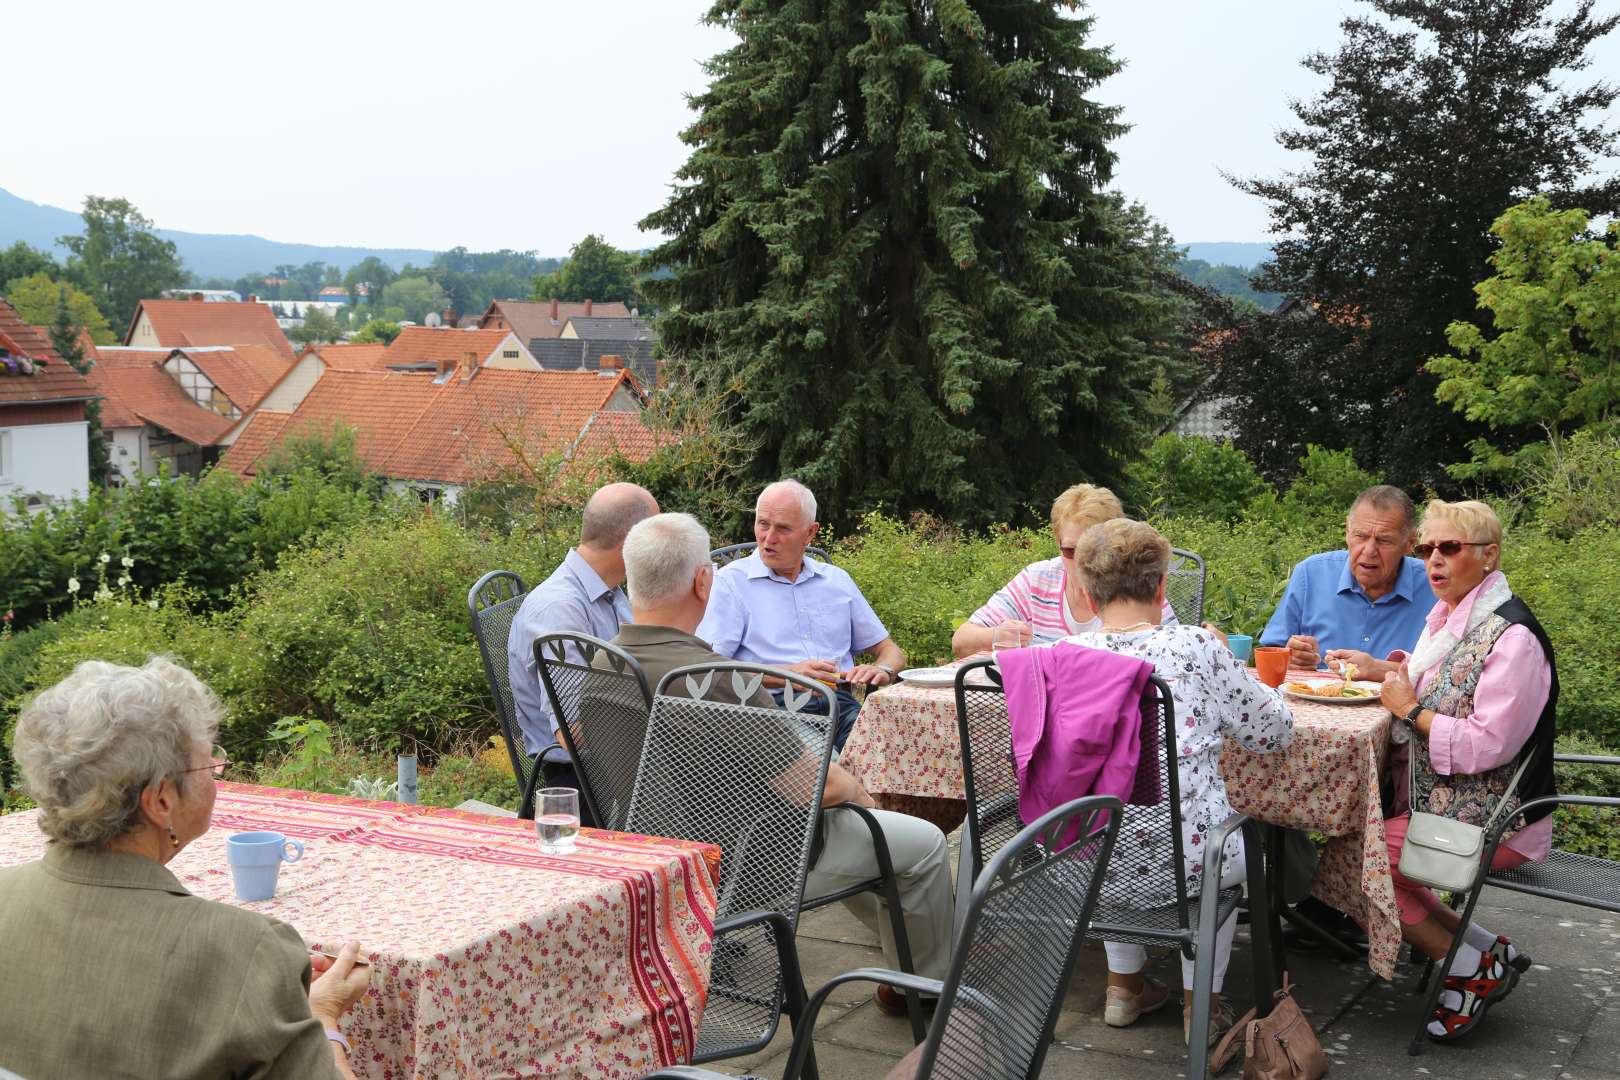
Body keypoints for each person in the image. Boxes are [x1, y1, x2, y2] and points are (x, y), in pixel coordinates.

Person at [615, 512, 953, 1016]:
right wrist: (859, 792)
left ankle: (905, 963)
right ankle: (928, 990)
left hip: (654, 859)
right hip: (752, 864)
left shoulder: (599, 659)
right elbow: (816, 787)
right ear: (703, 582)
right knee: (920, 842)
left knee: (870, 834)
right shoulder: (713, 680)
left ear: (630, 578)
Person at [0, 658, 372, 1079]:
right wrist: (321, 1015)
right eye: (207, 763)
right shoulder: (250, 950)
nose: (217, 773)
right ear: (161, 801)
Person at [1328, 500, 1555, 1043]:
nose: (1433, 559)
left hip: (1505, 821)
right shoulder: (1457, 615)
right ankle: (1482, 945)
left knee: (1365, 859)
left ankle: (1468, 971)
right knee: (1354, 848)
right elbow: (1445, 681)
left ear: (1488, 555)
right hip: (1457, 806)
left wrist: (1410, 711)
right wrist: (1384, 670)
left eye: (1448, 547)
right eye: (1426, 548)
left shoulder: (1513, 638)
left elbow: (1487, 744)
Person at [1062, 519, 1293, 1045]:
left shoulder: (1062, 658)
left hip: (1081, 855)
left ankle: (1123, 989)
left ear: (1087, 590)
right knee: (1216, 844)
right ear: (1162, 587)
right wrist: (1230, 658)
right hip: (1189, 858)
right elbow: (1273, 733)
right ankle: (1201, 1009)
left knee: (1118, 821)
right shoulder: (1195, 648)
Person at [697, 479, 905, 751]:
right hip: (772, 710)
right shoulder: (731, 583)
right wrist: (790, 673)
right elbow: (710, 669)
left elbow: (890, 650)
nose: (768, 538)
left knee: (893, 752)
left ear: (810, 533)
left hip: (840, 705)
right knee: (829, 772)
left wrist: (882, 669)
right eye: (763, 524)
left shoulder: (836, 581)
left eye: (783, 528)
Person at [507, 482, 659, 787]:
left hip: (616, 763)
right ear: (632, 541)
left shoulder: (610, 592)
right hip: (586, 782)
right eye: (656, 535)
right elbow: (572, 732)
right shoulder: (559, 611)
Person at [953, 483, 1177, 657]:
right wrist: (996, 636)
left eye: (1095, 553)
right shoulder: (1037, 580)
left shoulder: (1135, 585)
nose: (1081, 563)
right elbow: (961, 641)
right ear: (1057, 544)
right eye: (1071, 551)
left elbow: (1174, 653)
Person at [1261, 484, 1436, 671]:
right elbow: (1271, 653)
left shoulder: (1435, 586)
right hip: (1315, 697)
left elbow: (1450, 673)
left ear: (1410, 543)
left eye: (1384, 540)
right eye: (1360, 536)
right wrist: (1291, 657)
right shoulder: (1310, 574)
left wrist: (1380, 669)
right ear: (1347, 532)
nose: (1369, 551)